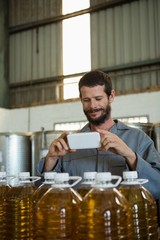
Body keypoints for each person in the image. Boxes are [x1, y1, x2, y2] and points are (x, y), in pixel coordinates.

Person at [36, 70, 160, 200]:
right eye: (86, 100)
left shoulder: (138, 139)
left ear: (111, 96)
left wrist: (130, 155)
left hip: (123, 219)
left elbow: (157, 188)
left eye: (98, 98)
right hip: (82, 219)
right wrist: (50, 159)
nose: (92, 106)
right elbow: (44, 197)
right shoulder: (69, 145)